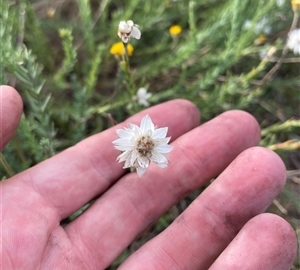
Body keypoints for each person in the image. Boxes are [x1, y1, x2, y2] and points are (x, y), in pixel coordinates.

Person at [1, 85, 297, 270]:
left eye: (146, 145)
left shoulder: (150, 149)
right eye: (143, 145)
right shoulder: (135, 148)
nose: (144, 145)